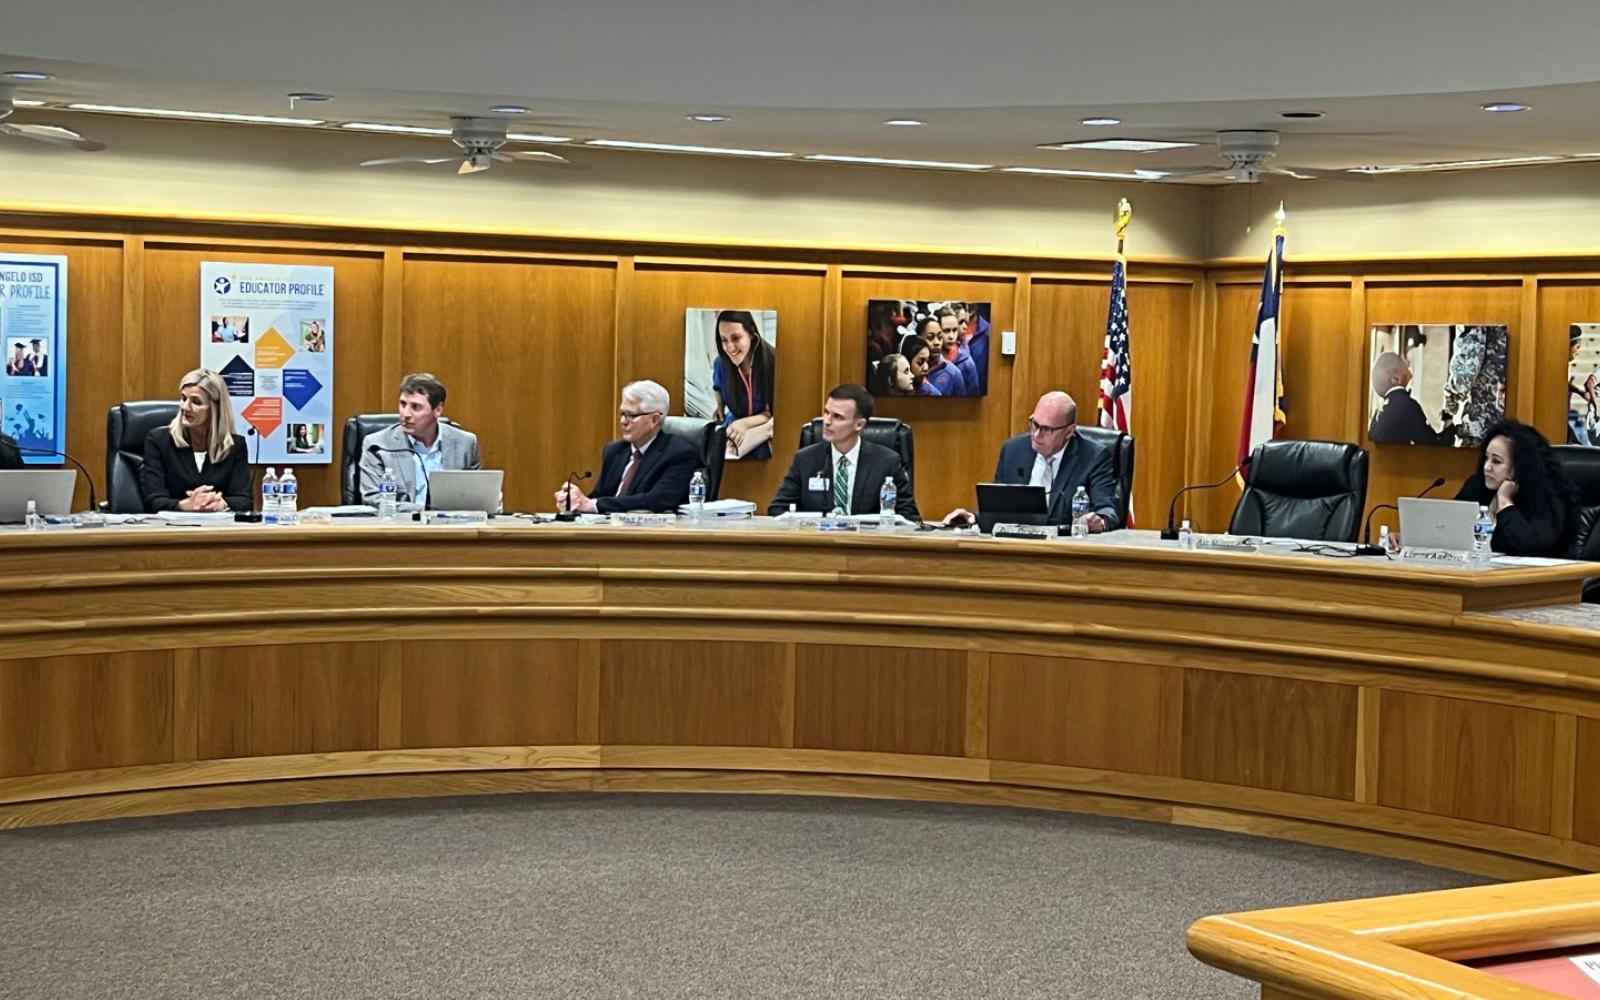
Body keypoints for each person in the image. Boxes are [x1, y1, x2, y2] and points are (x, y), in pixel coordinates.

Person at [945, 391, 1121, 532]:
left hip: (1063, 555)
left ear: (1069, 431)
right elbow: (1000, 507)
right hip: (1015, 551)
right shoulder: (1013, 450)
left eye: (1046, 429)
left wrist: (1099, 522)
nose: (1036, 435)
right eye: (1034, 424)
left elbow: (1107, 511)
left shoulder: (1093, 456)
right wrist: (973, 517)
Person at [768, 383, 919, 520]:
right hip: (819, 545)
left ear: (859, 424)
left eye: (837, 417)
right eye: (826, 412)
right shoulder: (805, 459)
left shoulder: (887, 462)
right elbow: (777, 509)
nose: (826, 421)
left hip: (866, 546)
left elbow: (909, 517)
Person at [556, 380, 699, 514]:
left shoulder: (679, 453)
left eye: (630, 415)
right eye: (622, 414)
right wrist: (575, 501)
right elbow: (600, 496)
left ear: (654, 420)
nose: (623, 421)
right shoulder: (614, 451)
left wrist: (592, 505)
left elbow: (658, 500)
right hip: (607, 531)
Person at [1453, 419, 1576, 557]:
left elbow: (1531, 547)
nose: (1486, 467)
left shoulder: (1548, 498)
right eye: (1486, 458)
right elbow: (1449, 526)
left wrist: (1505, 502)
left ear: (1520, 466)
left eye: (1496, 461)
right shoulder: (1477, 486)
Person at [358, 372, 482, 507]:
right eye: (403, 404)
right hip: (399, 525)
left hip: (450, 526)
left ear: (438, 410)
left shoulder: (465, 444)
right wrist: (424, 512)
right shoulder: (377, 445)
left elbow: (474, 497)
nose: (405, 414)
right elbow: (373, 499)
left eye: (416, 407)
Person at [139, 368, 251, 512]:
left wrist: (220, 503)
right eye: (183, 398)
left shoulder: (234, 446)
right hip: (171, 530)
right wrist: (185, 505)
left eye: (196, 402)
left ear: (215, 409)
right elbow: (153, 499)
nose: (185, 407)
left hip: (218, 530)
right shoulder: (159, 441)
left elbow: (243, 499)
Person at [711, 310, 776, 460]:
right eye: (724, 340)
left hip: (763, 428)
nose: (730, 347)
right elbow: (717, 387)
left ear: (752, 334)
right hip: (734, 425)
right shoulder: (720, 363)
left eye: (736, 338)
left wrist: (744, 424)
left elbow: (771, 413)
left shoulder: (772, 361)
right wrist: (720, 405)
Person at [1441, 325, 1505, 449]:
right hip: (1503, 418)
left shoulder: (1474, 312)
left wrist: (1449, 409)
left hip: (1480, 421)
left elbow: (1467, 367)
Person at [1368, 351, 1448, 445]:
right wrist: (1450, 425)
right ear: (1396, 379)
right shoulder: (1405, 405)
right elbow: (1432, 446)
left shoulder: (1379, 412)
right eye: (1402, 362)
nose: (1407, 362)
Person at [937, 308, 979, 395]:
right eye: (946, 331)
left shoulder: (967, 363)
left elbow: (974, 397)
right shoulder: (930, 360)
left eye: (955, 330)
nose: (951, 336)